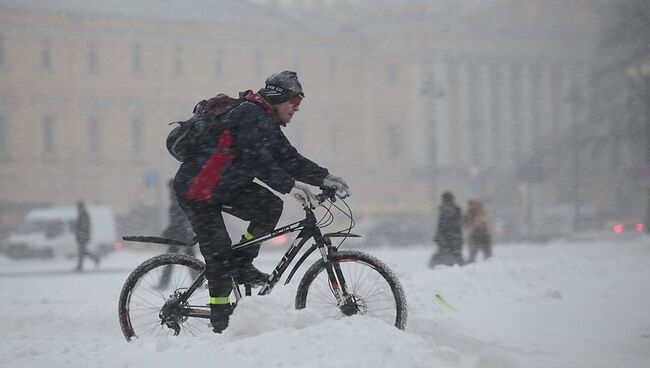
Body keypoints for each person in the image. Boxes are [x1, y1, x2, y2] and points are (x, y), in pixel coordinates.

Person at [173, 70, 350, 333]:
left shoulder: (265, 121)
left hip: (225, 187)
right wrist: (290, 186)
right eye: (295, 102)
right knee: (219, 252)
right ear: (278, 98)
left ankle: (242, 264)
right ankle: (221, 319)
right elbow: (257, 159)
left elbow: (288, 157)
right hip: (198, 190)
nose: (296, 109)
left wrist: (324, 178)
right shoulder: (248, 114)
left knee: (269, 206)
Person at [158, 179, 196, 288]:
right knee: (190, 261)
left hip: (179, 235)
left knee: (171, 260)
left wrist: (169, 230)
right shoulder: (180, 198)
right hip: (183, 234)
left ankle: (164, 283)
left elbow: (178, 220)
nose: (169, 190)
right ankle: (197, 281)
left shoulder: (177, 200)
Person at [429, 191, 464, 268]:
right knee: (456, 254)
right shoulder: (457, 209)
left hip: (445, 236)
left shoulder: (443, 209)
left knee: (443, 253)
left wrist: (438, 235)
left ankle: (436, 267)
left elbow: (440, 224)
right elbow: (458, 225)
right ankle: (460, 267)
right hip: (455, 237)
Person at [463, 198, 493, 263]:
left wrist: (475, 222)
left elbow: (485, 221)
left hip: (482, 234)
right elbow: (466, 224)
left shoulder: (483, 211)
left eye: (472, 204)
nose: (471, 206)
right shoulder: (469, 212)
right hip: (475, 235)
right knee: (473, 254)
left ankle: (489, 265)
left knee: (487, 255)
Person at [75, 200, 99, 271]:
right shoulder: (82, 213)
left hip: (82, 236)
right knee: (83, 252)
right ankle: (95, 259)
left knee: (81, 251)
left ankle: (80, 266)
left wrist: (81, 235)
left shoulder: (83, 214)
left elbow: (84, 226)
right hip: (82, 236)